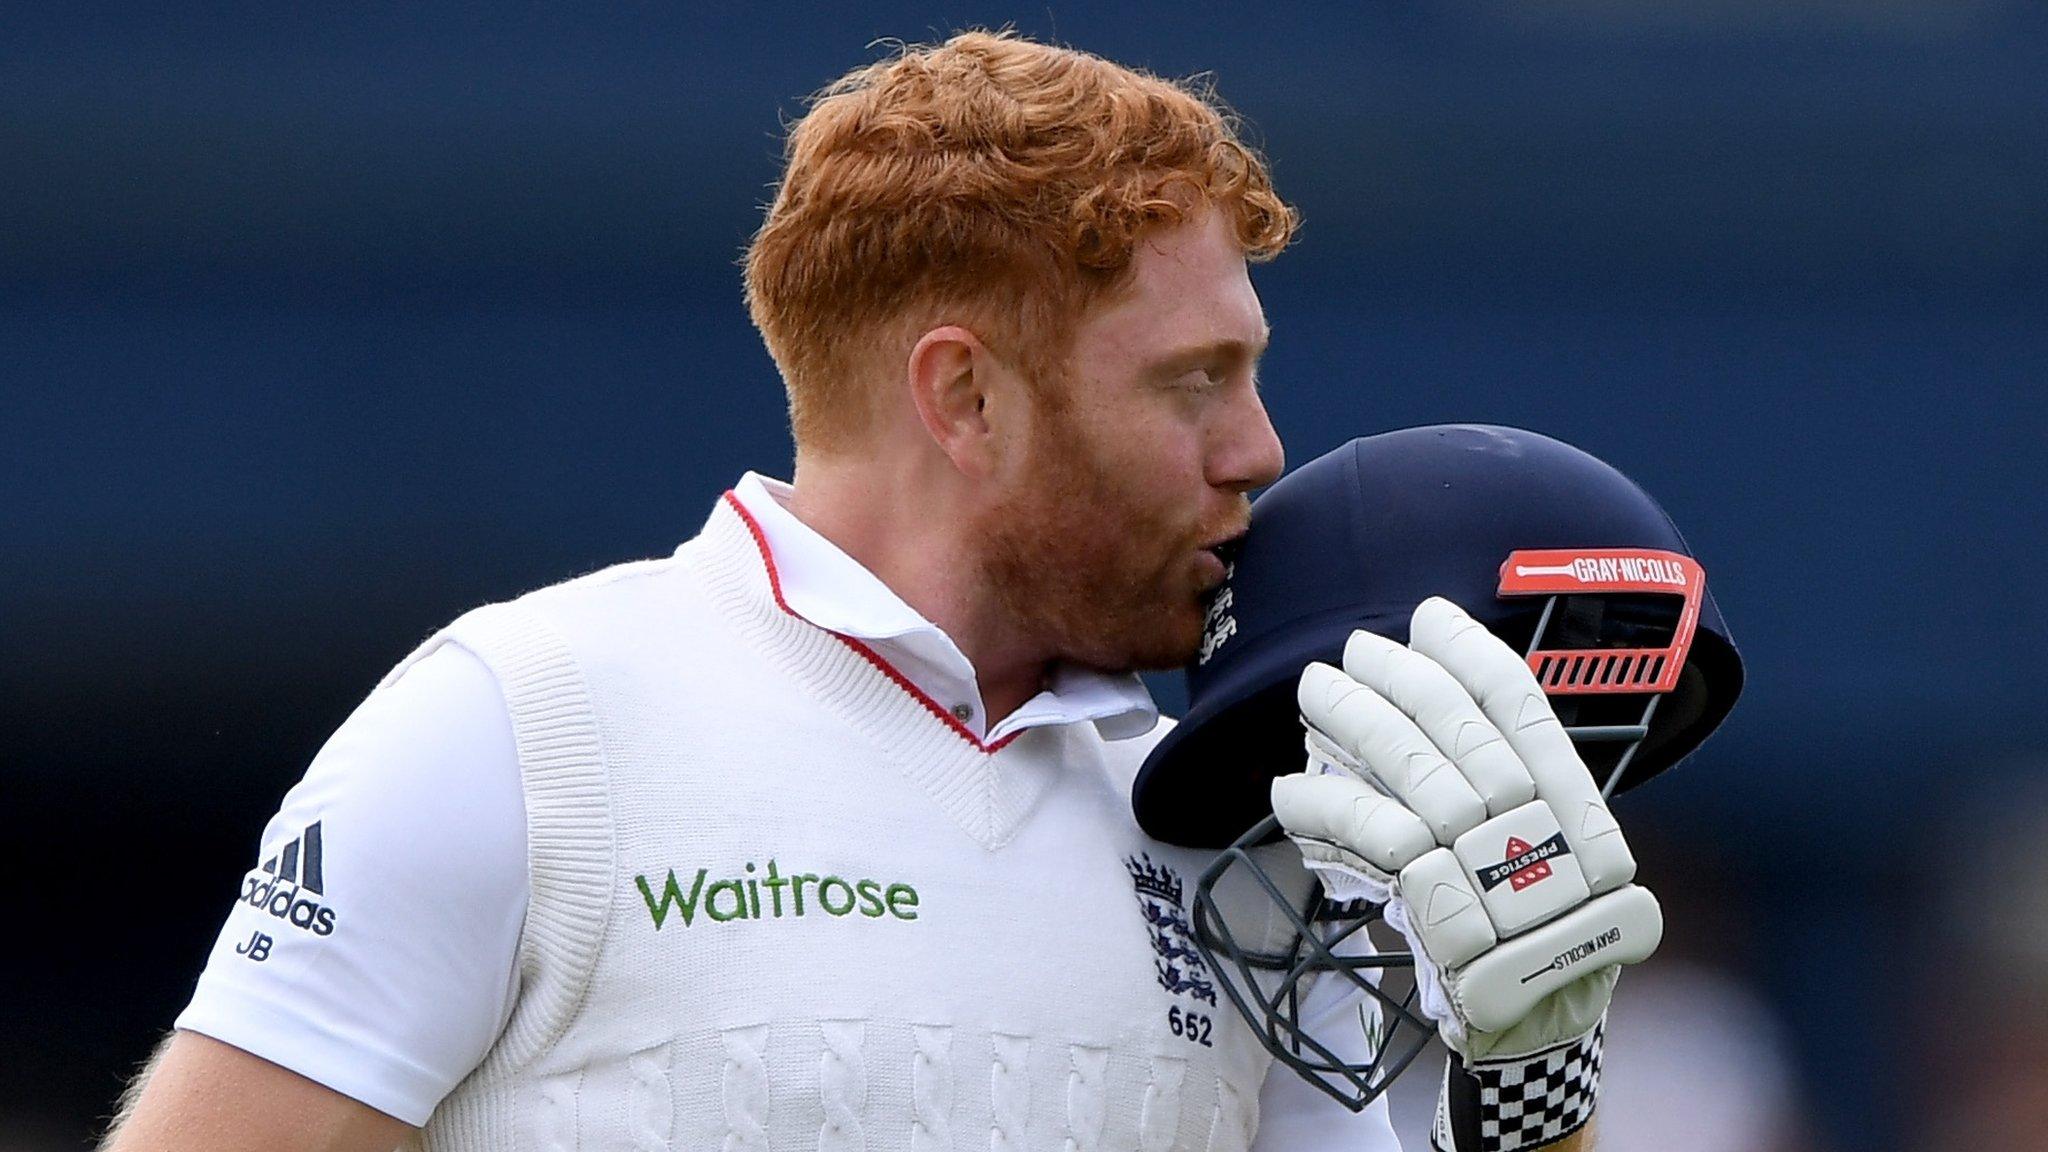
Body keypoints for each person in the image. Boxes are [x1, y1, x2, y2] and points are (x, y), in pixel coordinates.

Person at [101, 32, 1594, 1152]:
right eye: (1193, 382)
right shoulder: (521, 724)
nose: (1258, 448)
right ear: (964, 397)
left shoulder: (1242, 826)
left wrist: (1543, 1091)